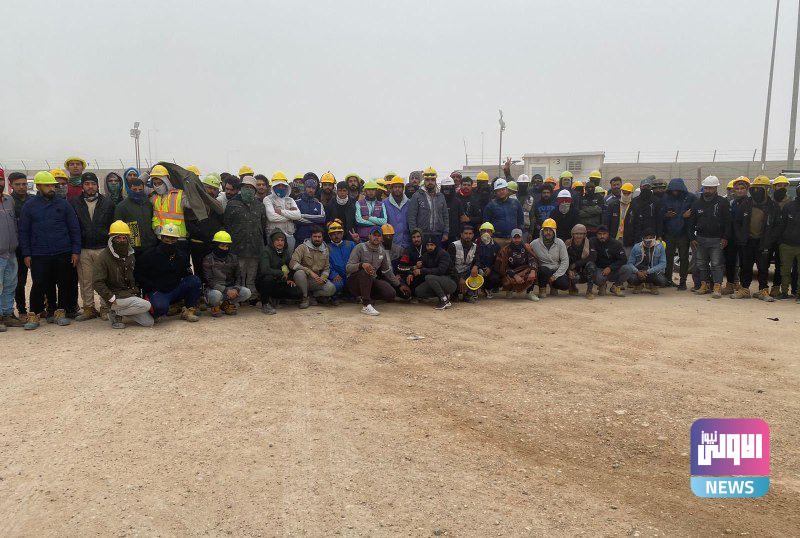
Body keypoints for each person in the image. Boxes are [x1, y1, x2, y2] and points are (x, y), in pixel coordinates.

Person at [19, 171, 81, 330]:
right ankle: (34, 313)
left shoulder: (63, 204)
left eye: (53, 185)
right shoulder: (29, 206)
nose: (52, 188)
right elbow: (24, 231)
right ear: (39, 186)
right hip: (39, 253)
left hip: (63, 251)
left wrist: (75, 251)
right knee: (39, 284)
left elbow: (74, 228)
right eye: (48, 186)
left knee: (63, 283)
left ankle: (60, 312)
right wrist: (26, 253)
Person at [70, 172, 116, 321]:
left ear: (97, 185)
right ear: (82, 186)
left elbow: (113, 225)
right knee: (86, 280)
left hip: (103, 247)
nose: (90, 187)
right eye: (87, 184)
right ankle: (89, 308)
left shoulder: (108, 203)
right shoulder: (74, 202)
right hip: (83, 248)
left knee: (104, 279)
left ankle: (105, 307)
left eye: (93, 184)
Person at [134, 223, 201, 322]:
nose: (170, 242)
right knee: (160, 308)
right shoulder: (149, 255)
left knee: (194, 280)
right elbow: (139, 275)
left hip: (175, 289)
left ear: (177, 239)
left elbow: (187, 273)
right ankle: (164, 307)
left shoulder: (181, 255)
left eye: (173, 239)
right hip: (158, 291)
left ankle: (188, 310)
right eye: (167, 239)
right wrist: (151, 287)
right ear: (161, 238)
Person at [92, 220, 154, 329]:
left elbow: (132, 277)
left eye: (124, 238)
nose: (121, 241)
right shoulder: (103, 257)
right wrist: (111, 298)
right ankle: (115, 311)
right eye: (118, 238)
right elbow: (97, 282)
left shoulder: (130, 254)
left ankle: (117, 312)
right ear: (112, 239)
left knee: (148, 322)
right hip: (114, 296)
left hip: (128, 295)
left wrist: (136, 292)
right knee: (146, 305)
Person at [728, 176, 779, 301]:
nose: (757, 191)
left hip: (764, 242)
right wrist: (740, 236)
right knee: (745, 266)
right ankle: (744, 289)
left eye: (760, 188)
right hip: (747, 241)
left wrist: (770, 239)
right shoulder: (746, 204)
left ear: (767, 189)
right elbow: (737, 222)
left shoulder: (773, 206)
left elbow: (778, 225)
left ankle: (763, 290)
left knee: (763, 268)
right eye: (755, 188)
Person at [345, 227, 410, 315]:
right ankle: (366, 305)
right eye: (374, 235)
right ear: (369, 236)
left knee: (390, 293)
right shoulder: (359, 247)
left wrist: (399, 285)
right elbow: (348, 267)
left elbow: (387, 271)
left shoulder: (382, 252)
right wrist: (361, 265)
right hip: (354, 282)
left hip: (370, 281)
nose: (376, 238)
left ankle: (364, 296)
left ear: (382, 238)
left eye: (379, 236)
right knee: (365, 272)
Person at [225, 175, 266, 299]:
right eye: (245, 187)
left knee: (252, 273)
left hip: (255, 245)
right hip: (238, 246)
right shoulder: (232, 204)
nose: (248, 190)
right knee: (239, 273)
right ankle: (239, 297)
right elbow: (226, 223)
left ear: (254, 190)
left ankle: (251, 296)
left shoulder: (260, 205)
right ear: (241, 188)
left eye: (251, 188)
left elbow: (263, 224)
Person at [689, 175, 731, 298]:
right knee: (701, 264)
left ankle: (717, 286)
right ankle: (705, 285)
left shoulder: (723, 202)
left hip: (717, 240)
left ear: (716, 189)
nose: (708, 190)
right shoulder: (697, 204)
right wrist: (692, 237)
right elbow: (691, 222)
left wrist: (725, 237)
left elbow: (728, 222)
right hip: (701, 239)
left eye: (711, 188)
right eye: (706, 188)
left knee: (716, 264)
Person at [187, 173, 224, 290]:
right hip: (197, 243)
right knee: (199, 270)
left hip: (212, 244)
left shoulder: (217, 205)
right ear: (203, 187)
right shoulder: (194, 203)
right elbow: (188, 222)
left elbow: (221, 223)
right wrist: (198, 232)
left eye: (214, 189)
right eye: (209, 187)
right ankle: (200, 293)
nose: (211, 191)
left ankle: (212, 293)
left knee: (213, 271)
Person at [202, 230, 252, 316]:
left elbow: (238, 276)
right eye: (222, 246)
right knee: (216, 295)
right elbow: (209, 281)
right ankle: (215, 305)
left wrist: (235, 289)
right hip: (214, 289)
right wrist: (226, 290)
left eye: (227, 246)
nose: (225, 249)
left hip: (230, 288)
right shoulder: (208, 259)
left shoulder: (233, 258)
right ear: (216, 245)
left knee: (247, 292)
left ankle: (226, 304)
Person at [256, 229, 303, 314]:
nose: (280, 243)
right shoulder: (266, 251)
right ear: (272, 241)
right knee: (268, 278)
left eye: (282, 240)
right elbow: (265, 270)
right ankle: (265, 303)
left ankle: (275, 299)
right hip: (264, 282)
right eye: (277, 240)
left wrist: (289, 279)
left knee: (298, 293)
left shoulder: (285, 251)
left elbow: (289, 267)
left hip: (280, 281)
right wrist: (281, 273)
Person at [289, 226, 336, 308]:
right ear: (311, 237)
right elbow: (292, 263)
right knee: (299, 273)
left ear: (322, 238)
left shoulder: (325, 250)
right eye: (315, 236)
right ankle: (305, 297)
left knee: (331, 288)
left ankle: (313, 296)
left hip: (316, 280)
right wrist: (309, 272)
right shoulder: (302, 247)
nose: (317, 239)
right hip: (303, 279)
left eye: (319, 237)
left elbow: (326, 268)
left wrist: (323, 278)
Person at [662, 178, 696, 290]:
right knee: (668, 257)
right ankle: (668, 279)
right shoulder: (666, 197)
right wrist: (666, 215)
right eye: (673, 190)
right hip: (669, 233)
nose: (675, 192)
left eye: (677, 190)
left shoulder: (690, 198)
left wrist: (686, 216)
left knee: (684, 258)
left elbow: (694, 213)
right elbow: (660, 214)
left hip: (683, 233)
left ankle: (683, 282)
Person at [114, 171, 158, 257]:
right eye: (134, 189)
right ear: (129, 189)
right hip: (133, 249)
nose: (137, 192)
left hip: (151, 246)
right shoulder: (122, 206)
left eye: (140, 189)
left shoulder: (148, 204)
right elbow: (118, 229)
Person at [407, 234, 456, 309]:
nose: (429, 247)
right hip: (436, 281)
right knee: (419, 291)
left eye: (432, 245)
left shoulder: (443, 254)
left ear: (436, 245)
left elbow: (440, 271)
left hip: (450, 281)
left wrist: (422, 271)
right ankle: (443, 295)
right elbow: (419, 266)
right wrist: (411, 273)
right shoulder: (426, 255)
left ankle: (444, 300)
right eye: (427, 245)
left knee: (429, 277)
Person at [0, 168, 22, 330]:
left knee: (10, 285)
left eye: (0, 179)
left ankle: (7, 314)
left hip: (11, 252)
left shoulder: (9, 200)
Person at [407, 167, 449, 244]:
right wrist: (414, 234)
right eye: (427, 180)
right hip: (421, 235)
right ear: (424, 180)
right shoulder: (417, 196)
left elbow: (445, 215)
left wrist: (446, 232)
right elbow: (411, 217)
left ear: (435, 180)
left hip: (438, 235)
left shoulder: (441, 196)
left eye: (432, 180)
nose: (430, 182)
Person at [530, 219, 570, 298]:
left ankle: (553, 286)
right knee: (543, 270)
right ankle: (542, 288)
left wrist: (555, 276)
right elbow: (527, 252)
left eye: (551, 230)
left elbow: (565, 261)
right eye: (546, 230)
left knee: (565, 284)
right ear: (542, 231)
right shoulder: (535, 243)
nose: (548, 232)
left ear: (554, 232)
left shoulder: (560, 243)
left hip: (556, 270)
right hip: (542, 271)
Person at [769, 175, 796, 297]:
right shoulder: (769, 203)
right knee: (765, 264)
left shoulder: (791, 203)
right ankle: (765, 288)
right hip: (770, 238)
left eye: (784, 186)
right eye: (779, 185)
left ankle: (777, 287)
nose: (782, 188)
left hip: (784, 239)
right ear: (774, 187)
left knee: (780, 265)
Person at [495, 228, 539, 301]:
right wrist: (515, 275)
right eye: (515, 238)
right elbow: (502, 266)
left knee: (534, 271)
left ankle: (529, 292)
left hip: (524, 270)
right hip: (510, 272)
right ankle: (509, 290)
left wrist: (533, 271)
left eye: (519, 238)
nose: (517, 240)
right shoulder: (505, 250)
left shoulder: (527, 248)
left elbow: (532, 259)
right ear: (511, 238)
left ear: (521, 238)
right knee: (505, 276)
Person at [8, 171, 30, 317]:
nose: (22, 187)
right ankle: (22, 310)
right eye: (18, 184)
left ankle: (42, 308)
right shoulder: (8, 202)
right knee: (19, 282)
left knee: (41, 279)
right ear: (11, 185)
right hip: (17, 248)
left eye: (24, 184)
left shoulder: (33, 200)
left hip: (35, 246)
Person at [264, 172, 302, 253]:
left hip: (289, 236)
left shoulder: (290, 200)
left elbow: (298, 215)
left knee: (289, 258)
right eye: (278, 185)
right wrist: (290, 216)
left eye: (283, 186)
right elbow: (271, 217)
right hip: (274, 237)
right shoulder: (268, 199)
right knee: (274, 259)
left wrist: (281, 212)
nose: (281, 187)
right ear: (273, 187)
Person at [591, 225, 633, 297]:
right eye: (599, 234)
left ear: (608, 234)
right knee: (597, 277)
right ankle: (602, 285)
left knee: (628, 269)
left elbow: (623, 259)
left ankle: (615, 286)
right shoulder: (592, 242)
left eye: (604, 234)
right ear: (596, 234)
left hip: (613, 269)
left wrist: (610, 268)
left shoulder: (616, 243)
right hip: (599, 269)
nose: (602, 236)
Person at [150, 164, 188, 242]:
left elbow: (194, 204)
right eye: (155, 183)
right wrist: (148, 173)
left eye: (159, 183)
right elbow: (136, 185)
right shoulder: (154, 197)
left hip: (179, 239)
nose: (157, 186)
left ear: (166, 181)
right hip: (161, 238)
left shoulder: (180, 195)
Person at [775, 184, 800, 302]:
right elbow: (782, 224)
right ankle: (784, 292)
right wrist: (781, 241)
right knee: (785, 271)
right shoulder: (789, 206)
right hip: (787, 245)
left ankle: (798, 294)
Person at [483, 178, 524, 248]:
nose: (501, 192)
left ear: (507, 190)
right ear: (495, 192)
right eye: (498, 190)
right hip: (497, 240)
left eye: (503, 189)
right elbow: (486, 223)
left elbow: (521, 221)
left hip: (513, 239)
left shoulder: (516, 203)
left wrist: (518, 236)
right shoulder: (490, 206)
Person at [625, 228, 667, 294]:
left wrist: (648, 271)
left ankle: (653, 286)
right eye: (646, 238)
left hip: (653, 272)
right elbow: (630, 263)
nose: (648, 240)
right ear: (642, 238)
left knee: (662, 281)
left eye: (650, 238)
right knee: (630, 279)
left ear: (655, 238)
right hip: (639, 272)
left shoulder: (660, 247)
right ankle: (639, 285)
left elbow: (663, 264)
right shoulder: (636, 247)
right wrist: (637, 272)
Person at [447, 225, 479, 302]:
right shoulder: (453, 245)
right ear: (461, 234)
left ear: (473, 235)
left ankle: (468, 295)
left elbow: (478, 260)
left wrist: (476, 266)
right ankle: (454, 294)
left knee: (479, 272)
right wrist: (459, 278)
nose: (468, 236)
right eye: (466, 233)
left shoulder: (475, 246)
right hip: (454, 273)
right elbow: (450, 266)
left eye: (470, 233)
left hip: (467, 273)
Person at [565, 223, 597, 299]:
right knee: (569, 275)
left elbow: (592, 257)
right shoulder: (568, 243)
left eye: (581, 234)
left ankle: (589, 291)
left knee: (591, 265)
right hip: (572, 270)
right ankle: (572, 287)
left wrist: (576, 264)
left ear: (584, 235)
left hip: (585, 270)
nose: (579, 236)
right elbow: (563, 258)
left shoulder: (589, 243)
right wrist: (568, 269)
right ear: (572, 234)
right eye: (576, 234)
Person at [327, 220, 356, 301]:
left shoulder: (351, 244)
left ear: (342, 234)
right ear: (329, 236)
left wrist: (358, 241)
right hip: (337, 277)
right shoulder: (326, 248)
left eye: (338, 233)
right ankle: (335, 296)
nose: (336, 236)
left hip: (350, 275)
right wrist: (333, 274)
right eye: (333, 234)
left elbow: (359, 258)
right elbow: (326, 264)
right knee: (337, 285)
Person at [295, 175, 326, 243]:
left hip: (316, 240)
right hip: (300, 239)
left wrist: (302, 216)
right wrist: (315, 220)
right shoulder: (296, 203)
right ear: (305, 188)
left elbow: (322, 219)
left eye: (313, 188)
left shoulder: (319, 204)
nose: (311, 190)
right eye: (309, 187)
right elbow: (296, 219)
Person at [476, 222, 502, 297]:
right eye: (484, 231)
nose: (486, 233)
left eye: (488, 231)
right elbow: (474, 259)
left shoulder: (496, 246)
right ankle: (474, 290)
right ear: (480, 232)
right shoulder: (475, 244)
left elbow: (497, 261)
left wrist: (490, 268)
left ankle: (487, 288)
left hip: (490, 269)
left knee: (496, 278)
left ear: (492, 233)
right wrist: (479, 267)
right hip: (478, 268)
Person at [384, 175, 410, 249]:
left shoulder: (409, 203)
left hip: (406, 243)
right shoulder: (384, 203)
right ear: (391, 189)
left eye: (399, 187)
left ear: (403, 188)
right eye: (395, 187)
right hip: (390, 243)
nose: (397, 189)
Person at [441, 175, 466, 243]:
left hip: (455, 235)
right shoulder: (437, 201)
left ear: (452, 187)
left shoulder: (457, 201)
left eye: (449, 187)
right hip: (440, 234)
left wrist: (461, 233)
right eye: (445, 187)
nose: (447, 189)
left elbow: (462, 218)